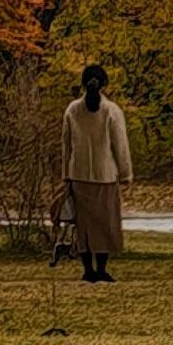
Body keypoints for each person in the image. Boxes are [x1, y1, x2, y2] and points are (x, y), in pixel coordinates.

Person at [62, 63, 131, 280]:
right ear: (104, 84)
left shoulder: (72, 110)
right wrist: (126, 172)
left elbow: (66, 145)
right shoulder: (112, 110)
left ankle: (87, 270)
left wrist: (66, 174)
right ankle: (101, 270)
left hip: (78, 175)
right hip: (105, 176)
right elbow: (120, 145)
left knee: (84, 226)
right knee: (105, 224)